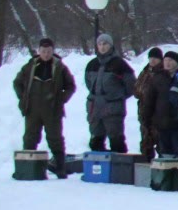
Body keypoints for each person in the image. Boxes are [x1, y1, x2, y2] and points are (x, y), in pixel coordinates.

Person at [13, 38, 77, 176]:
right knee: (30, 137)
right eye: (43, 51)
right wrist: (23, 98)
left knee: (55, 138)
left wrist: (61, 99)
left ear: (53, 51)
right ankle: (26, 169)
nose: (46, 54)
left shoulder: (60, 67)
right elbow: (17, 83)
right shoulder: (30, 66)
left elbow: (71, 86)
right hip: (32, 108)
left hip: (53, 109)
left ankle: (60, 168)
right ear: (39, 51)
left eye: (49, 51)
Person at [82, 34, 135, 154]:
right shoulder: (92, 64)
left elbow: (131, 85)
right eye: (100, 44)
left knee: (116, 140)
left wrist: (117, 96)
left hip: (113, 108)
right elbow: (89, 83)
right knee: (95, 140)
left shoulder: (120, 64)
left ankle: (120, 169)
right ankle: (99, 170)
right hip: (95, 108)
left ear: (110, 46)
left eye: (105, 44)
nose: (102, 47)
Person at [134, 47, 167, 162]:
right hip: (144, 112)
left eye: (155, 58)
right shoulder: (145, 72)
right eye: (151, 58)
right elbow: (136, 88)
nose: (152, 60)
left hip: (158, 113)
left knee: (161, 143)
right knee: (145, 142)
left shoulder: (163, 72)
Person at [148, 51, 178, 158]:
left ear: (177, 62)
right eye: (166, 60)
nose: (167, 63)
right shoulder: (158, 77)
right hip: (162, 121)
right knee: (164, 152)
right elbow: (150, 99)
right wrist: (148, 117)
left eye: (171, 60)